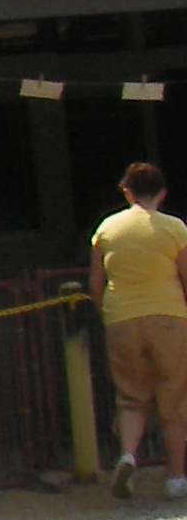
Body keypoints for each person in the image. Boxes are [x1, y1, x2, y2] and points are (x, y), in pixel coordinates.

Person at [89, 161, 187, 500]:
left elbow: (95, 282)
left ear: (127, 192)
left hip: (121, 317)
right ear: (162, 192)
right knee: (173, 398)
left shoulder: (106, 229)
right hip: (168, 316)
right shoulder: (175, 229)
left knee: (130, 397)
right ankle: (175, 478)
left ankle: (128, 455)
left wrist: (106, 315)